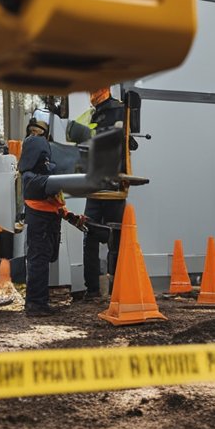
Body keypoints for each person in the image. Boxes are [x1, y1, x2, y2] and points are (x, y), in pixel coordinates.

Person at [81, 87, 129, 300]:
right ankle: (93, 291)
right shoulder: (90, 115)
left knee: (115, 240)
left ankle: (115, 289)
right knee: (91, 237)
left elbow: (125, 142)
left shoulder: (120, 110)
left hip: (111, 185)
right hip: (95, 187)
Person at [19, 115, 64, 317]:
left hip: (49, 213)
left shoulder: (49, 162)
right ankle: (36, 304)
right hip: (39, 214)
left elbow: (55, 190)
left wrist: (64, 211)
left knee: (45, 256)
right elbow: (36, 184)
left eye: (38, 132)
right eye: (31, 131)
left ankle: (39, 301)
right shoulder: (31, 171)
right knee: (38, 258)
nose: (34, 135)